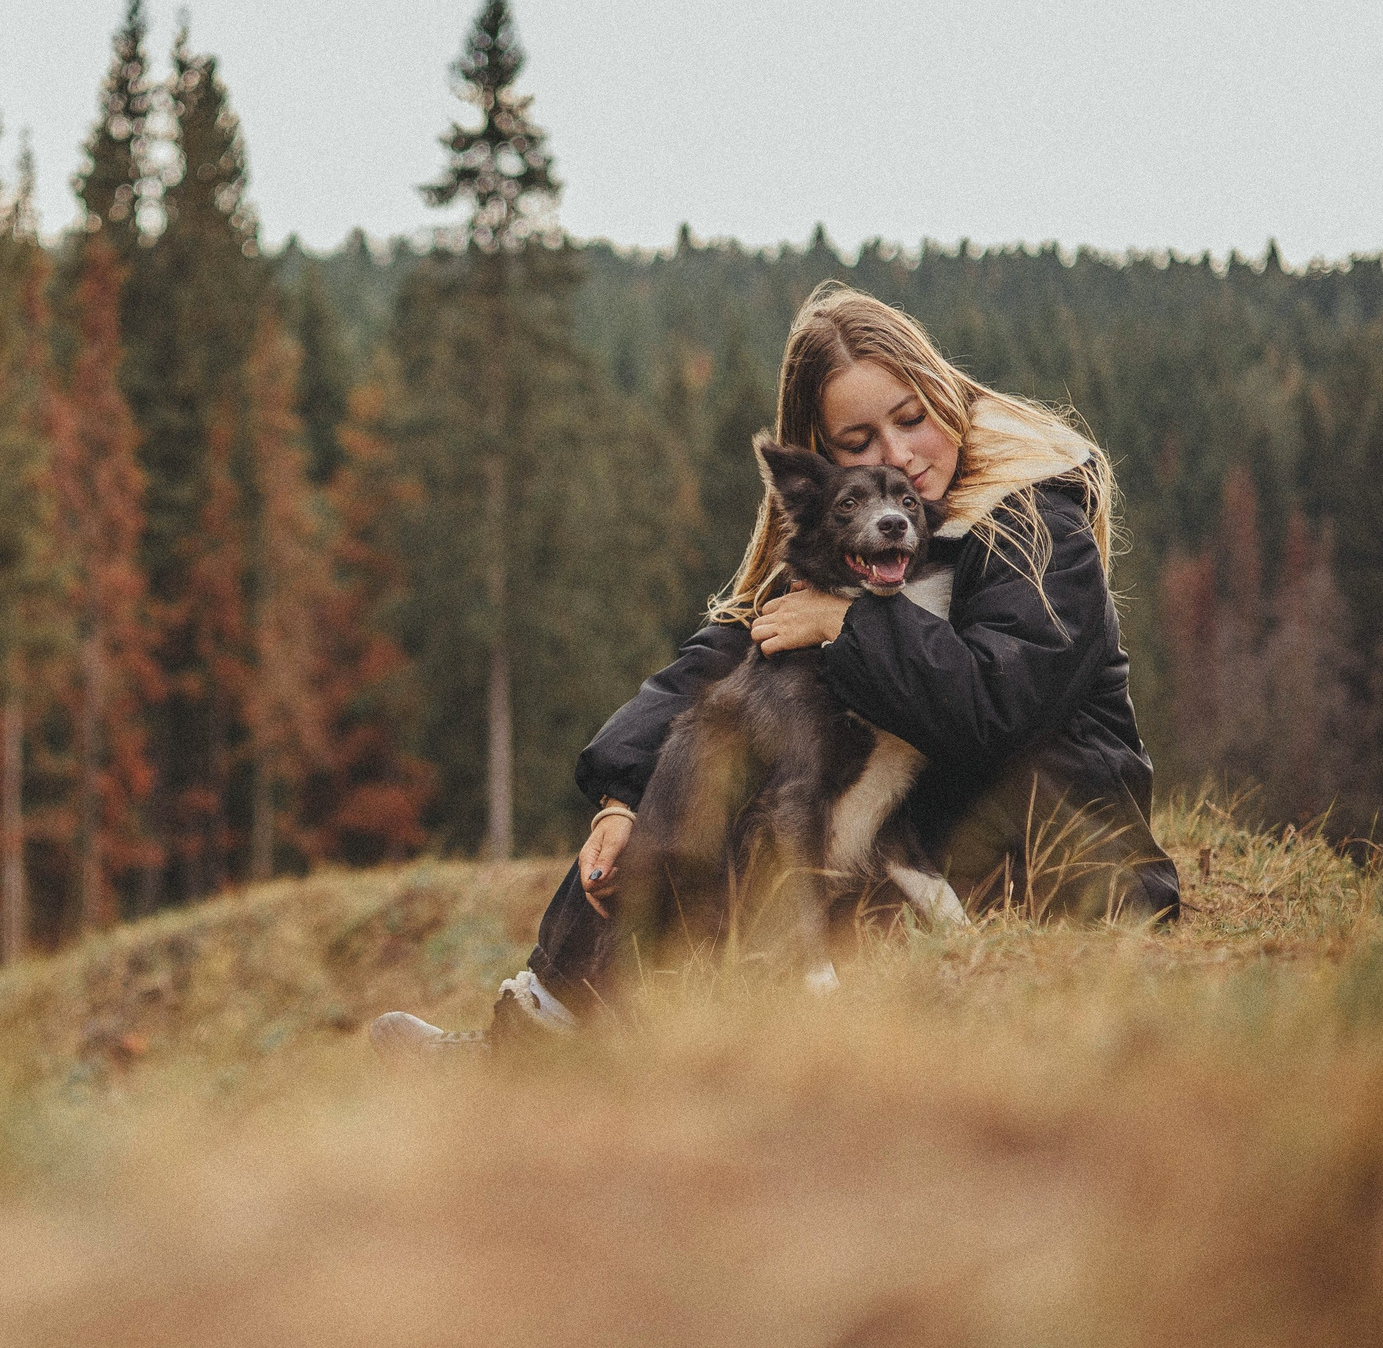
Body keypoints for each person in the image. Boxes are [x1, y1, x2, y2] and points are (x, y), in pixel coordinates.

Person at [371, 282, 1180, 1054]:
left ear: (945, 392)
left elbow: (997, 707)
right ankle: (545, 1030)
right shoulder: (861, 541)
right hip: (920, 864)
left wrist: (852, 625)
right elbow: (726, 662)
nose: (898, 455)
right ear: (825, 464)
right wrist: (621, 794)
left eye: (911, 418)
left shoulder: (1033, 523)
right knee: (705, 766)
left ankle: (563, 1044)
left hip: (1060, 878)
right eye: (858, 443)